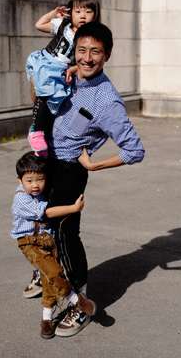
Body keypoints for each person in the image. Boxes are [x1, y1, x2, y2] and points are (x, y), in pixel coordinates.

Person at [42, 21, 145, 337]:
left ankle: (80, 304)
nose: (87, 58)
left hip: (71, 170)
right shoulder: (73, 77)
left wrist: (96, 165)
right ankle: (50, 279)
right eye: (82, 50)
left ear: (107, 55)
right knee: (46, 228)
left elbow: (134, 150)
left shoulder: (107, 100)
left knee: (66, 235)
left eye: (95, 52)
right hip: (49, 164)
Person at [11, 151, 96, 339]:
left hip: (47, 241)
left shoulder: (42, 192)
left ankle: (46, 320)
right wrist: (73, 208)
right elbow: (47, 213)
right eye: (29, 180)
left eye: (40, 179)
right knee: (54, 273)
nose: (35, 185)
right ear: (20, 180)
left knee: (49, 283)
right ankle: (77, 300)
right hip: (30, 243)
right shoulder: (21, 199)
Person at [25, 0, 100, 156]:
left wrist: (74, 69)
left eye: (88, 12)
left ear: (95, 15)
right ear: (71, 12)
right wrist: (53, 13)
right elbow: (39, 24)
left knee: (55, 104)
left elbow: (85, 61)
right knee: (45, 93)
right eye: (78, 11)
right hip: (46, 62)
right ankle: (36, 131)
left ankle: (41, 131)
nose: (83, 16)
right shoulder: (62, 25)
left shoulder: (89, 37)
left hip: (61, 71)